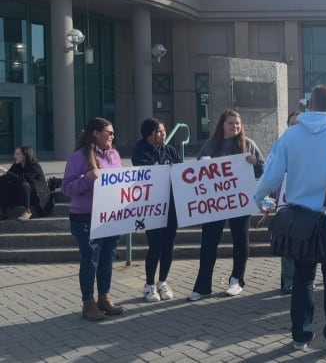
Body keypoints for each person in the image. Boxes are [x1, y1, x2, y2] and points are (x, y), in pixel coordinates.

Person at [254, 85, 326, 354]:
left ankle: (300, 336)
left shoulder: (290, 136)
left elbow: (270, 175)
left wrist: (259, 199)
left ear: (308, 104)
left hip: (302, 222)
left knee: (303, 279)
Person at [188, 109, 265, 301]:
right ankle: (202, 286)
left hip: (239, 200)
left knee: (240, 239)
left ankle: (237, 280)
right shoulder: (211, 144)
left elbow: (264, 169)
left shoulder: (248, 144)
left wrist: (255, 162)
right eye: (231, 123)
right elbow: (197, 170)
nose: (235, 126)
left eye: (238, 123)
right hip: (216, 202)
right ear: (222, 125)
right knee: (209, 242)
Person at [62, 117, 124, 321]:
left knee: (107, 259)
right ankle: (87, 303)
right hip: (85, 218)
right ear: (96, 134)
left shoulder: (114, 155)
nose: (112, 136)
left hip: (110, 217)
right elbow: (67, 188)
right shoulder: (78, 157)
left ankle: (104, 297)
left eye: (113, 133)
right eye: (109, 132)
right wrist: (87, 178)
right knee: (90, 261)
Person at [132, 118, 182, 302]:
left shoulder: (170, 150)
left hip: (171, 205)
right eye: (159, 131)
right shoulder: (140, 150)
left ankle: (163, 282)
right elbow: (145, 171)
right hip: (152, 206)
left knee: (169, 244)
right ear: (149, 134)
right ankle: (149, 285)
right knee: (155, 246)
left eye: (164, 130)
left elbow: (180, 171)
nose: (163, 134)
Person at [279, 111, 300, 295]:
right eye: (292, 124)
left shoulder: (312, 146)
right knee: (287, 244)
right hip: (285, 204)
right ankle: (287, 281)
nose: (295, 127)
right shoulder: (282, 146)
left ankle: (301, 280)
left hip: (306, 205)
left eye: (298, 124)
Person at [0, 146, 49, 221]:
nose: (14, 156)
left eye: (17, 154)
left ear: (25, 155)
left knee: (24, 185)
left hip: (36, 195)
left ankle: (27, 211)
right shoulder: (16, 165)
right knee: (3, 180)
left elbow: (23, 179)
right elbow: (9, 176)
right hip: (21, 194)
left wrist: (5, 171)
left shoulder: (34, 166)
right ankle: (3, 211)